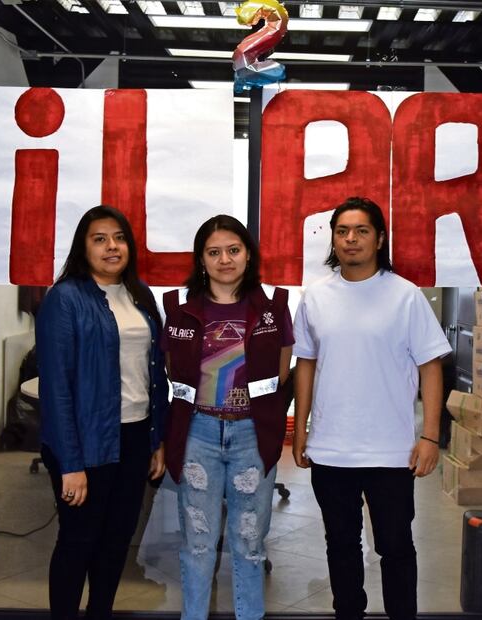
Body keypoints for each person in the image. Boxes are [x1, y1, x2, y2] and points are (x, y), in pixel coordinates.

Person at [292, 197, 451, 620]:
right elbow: (305, 364)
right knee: (340, 546)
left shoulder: (406, 296)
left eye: (361, 231)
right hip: (331, 448)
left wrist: (430, 435)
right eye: (342, 231)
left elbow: (431, 367)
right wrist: (302, 428)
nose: (351, 239)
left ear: (379, 238)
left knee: (396, 546)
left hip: (391, 452)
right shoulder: (316, 297)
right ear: (333, 238)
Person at [36, 205, 169, 620]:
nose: (112, 247)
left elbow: (154, 373)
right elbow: (56, 387)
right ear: (84, 247)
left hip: (135, 436)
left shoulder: (140, 295)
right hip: (84, 440)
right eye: (100, 239)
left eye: (119, 238)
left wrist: (156, 440)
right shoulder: (65, 298)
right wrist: (71, 464)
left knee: (116, 541)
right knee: (79, 540)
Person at [161, 214, 293, 620]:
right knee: (198, 543)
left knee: (249, 543)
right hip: (198, 431)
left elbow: (283, 373)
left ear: (248, 255)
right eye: (214, 252)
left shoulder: (274, 309)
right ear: (201, 260)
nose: (224, 260)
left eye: (233, 250)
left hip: (251, 434)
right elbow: (171, 371)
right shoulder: (179, 310)